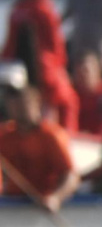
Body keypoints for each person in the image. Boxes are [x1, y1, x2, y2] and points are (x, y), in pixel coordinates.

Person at [6, 0, 78, 138]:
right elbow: (56, 45)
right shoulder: (46, 10)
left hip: (15, 69)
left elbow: (9, 44)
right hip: (46, 68)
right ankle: (67, 138)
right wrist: (63, 68)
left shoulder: (17, 9)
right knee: (68, 100)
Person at [0, 82, 79, 214]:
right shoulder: (5, 135)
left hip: (41, 205)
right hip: (12, 205)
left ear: (37, 103)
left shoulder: (51, 135)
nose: (18, 107)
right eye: (14, 102)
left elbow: (71, 176)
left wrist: (55, 198)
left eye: (24, 102)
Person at [69, 52, 102, 137]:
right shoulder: (70, 95)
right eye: (78, 72)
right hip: (76, 142)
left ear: (97, 72)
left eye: (86, 71)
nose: (82, 76)